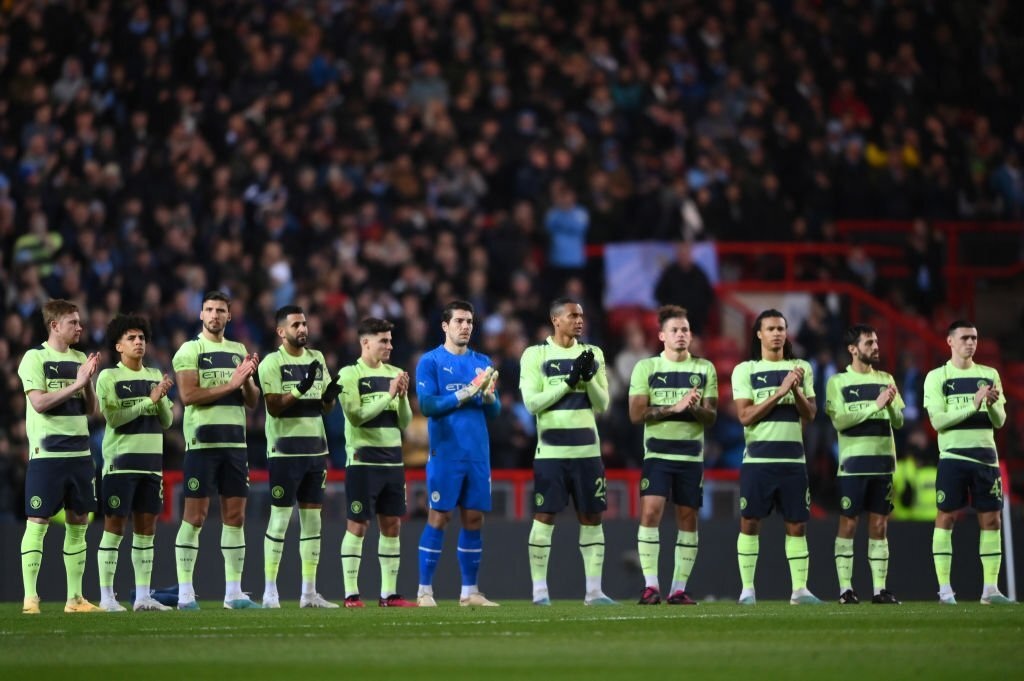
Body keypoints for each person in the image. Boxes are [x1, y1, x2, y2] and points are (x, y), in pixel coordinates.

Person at [521, 297, 616, 606]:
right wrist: (569, 382)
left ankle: (594, 592)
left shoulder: (593, 354)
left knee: (592, 518)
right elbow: (532, 403)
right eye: (573, 315)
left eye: (582, 315)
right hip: (550, 454)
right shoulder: (536, 354)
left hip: (588, 453)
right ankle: (539, 592)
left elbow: (603, 405)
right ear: (555, 319)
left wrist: (587, 379)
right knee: (544, 516)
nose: (579, 320)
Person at [172, 291, 261, 610]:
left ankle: (233, 593)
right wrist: (233, 383)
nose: (214, 315)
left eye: (220, 310)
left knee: (235, 517)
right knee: (194, 517)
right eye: (208, 309)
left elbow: (252, 401)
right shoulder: (189, 349)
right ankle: (185, 593)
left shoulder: (239, 350)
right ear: (200, 315)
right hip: (202, 445)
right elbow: (189, 395)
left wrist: (248, 379)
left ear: (229, 316)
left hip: (235, 445)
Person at [628, 305, 717, 605]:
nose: (681, 335)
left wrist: (694, 408)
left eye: (685, 330)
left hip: (691, 458)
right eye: (675, 330)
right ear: (662, 335)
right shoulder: (647, 368)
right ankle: (650, 586)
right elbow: (636, 413)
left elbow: (712, 416)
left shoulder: (705, 369)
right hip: (657, 455)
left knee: (688, 518)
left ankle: (679, 588)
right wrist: (673, 408)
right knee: (651, 512)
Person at [731, 309, 821, 605]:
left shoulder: (801, 368)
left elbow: (810, 415)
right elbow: (745, 416)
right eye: (770, 328)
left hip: (793, 461)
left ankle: (800, 590)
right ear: (759, 334)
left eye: (781, 328)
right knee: (750, 522)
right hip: (758, 460)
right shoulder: (746, 370)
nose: (777, 333)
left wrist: (794, 390)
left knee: (797, 525)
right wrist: (779, 392)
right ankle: (747, 590)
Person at [414, 300, 500, 607]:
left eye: (469, 322)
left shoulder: (482, 362)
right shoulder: (431, 362)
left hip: (477, 453)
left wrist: (488, 397)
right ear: (445, 326)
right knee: (439, 516)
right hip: (446, 453)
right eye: (459, 321)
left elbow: (496, 410)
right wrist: (466, 392)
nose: (465, 326)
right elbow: (427, 406)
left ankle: (470, 592)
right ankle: (425, 590)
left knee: (474, 519)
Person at [18, 299, 102, 614]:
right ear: (55, 325)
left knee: (78, 522)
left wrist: (89, 383)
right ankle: (30, 598)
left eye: (80, 322)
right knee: (37, 521)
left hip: (80, 454)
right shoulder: (34, 358)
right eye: (73, 323)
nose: (80, 327)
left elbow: (92, 411)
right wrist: (77, 383)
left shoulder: (80, 357)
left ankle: (75, 599)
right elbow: (39, 403)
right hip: (47, 455)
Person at [924, 321, 1013, 605]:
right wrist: (973, 404)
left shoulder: (989, 374)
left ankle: (990, 590)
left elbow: (1000, 421)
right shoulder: (937, 377)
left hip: (986, 458)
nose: (971, 343)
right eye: (964, 338)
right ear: (950, 341)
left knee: (992, 520)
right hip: (953, 458)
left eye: (974, 338)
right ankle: (945, 590)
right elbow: (938, 421)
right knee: (946, 518)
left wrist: (991, 404)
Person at [258, 305, 338, 609]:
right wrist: (300, 389)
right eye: (296, 325)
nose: (302, 329)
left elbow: (325, 407)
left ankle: (308, 593)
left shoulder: (317, 358)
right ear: (282, 332)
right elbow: (274, 406)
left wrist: (329, 397)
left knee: (312, 523)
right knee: (279, 520)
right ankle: (270, 592)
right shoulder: (271, 363)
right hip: (284, 452)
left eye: (304, 324)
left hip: (316, 452)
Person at [95, 314, 175, 612]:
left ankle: (143, 597)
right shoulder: (108, 377)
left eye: (142, 337)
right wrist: (150, 400)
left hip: (151, 467)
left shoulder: (155, 374)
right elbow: (113, 418)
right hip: (120, 466)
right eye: (131, 338)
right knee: (114, 528)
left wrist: (164, 398)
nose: (139, 342)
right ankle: (106, 597)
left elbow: (166, 422)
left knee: (146, 531)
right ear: (119, 345)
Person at [337, 318, 416, 608]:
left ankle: (389, 594)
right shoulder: (349, 375)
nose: (390, 345)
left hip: (393, 462)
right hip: (362, 462)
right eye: (383, 340)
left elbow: (404, 423)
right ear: (365, 342)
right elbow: (356, 416)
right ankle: (350, 594)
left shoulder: (396, 373)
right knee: (358, 524)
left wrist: (403, 397)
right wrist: (390, 394)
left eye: (390, 340)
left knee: (392, 525)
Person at [824, 324, 904, 605]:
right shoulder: (838, 382)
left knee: (880, 525)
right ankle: (846, 589)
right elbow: (840, 421)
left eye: (876, 341)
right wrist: (875, 404)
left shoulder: (887, 378)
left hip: (883, 465)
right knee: (848, 524)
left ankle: (878, 589)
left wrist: (891, 405)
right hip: (853, 466)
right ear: (853, 349)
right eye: (869, 342)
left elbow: (899, 422)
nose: (875, 347)